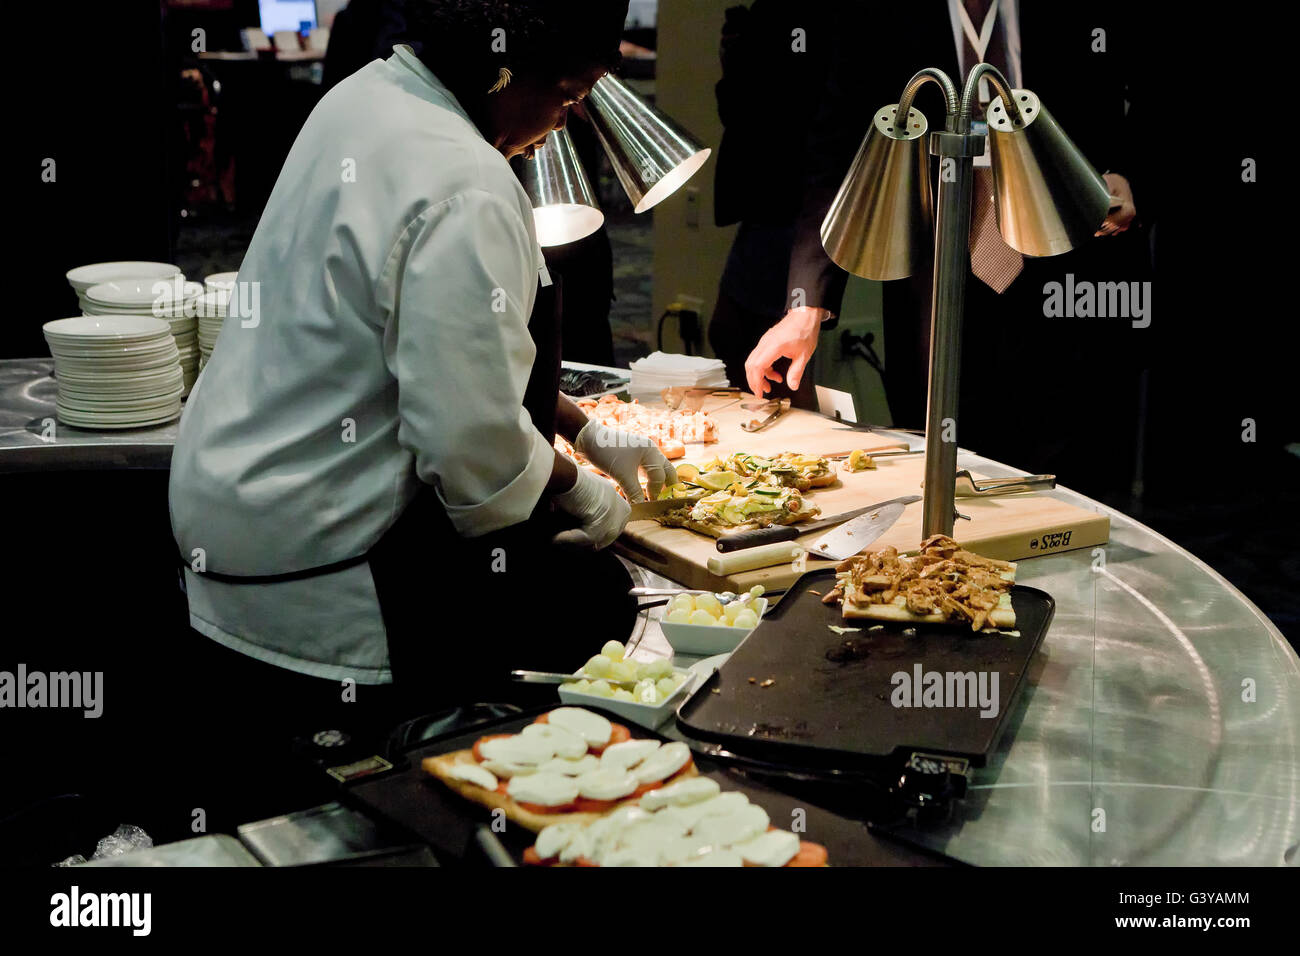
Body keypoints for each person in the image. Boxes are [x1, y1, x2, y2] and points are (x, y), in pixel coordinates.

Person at [168, 0, 662, 759]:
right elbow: (472, 450)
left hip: (231, 522)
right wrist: (578, 487)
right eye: (567, 95)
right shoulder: (464, 181)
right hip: (319, 567)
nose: (567, 121)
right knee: (592, 608)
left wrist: (584, 426)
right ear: (503, 68)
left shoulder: (370, 94)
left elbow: (420, 342)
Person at [741, 1, 1149, 498]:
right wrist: (806, 304)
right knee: (940, 483)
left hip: (1072, 272)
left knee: (1076, 484)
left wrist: (1129, 175)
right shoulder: (877, 14)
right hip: (935, 288)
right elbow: (841, 149)